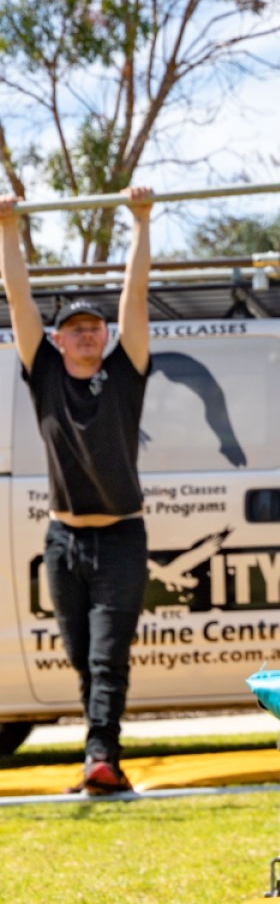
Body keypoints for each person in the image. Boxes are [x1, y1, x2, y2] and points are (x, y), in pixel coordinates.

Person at [0, 187, 153, 795]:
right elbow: (18, 296)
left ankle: (98, 756)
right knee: (80, 657)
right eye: (74, 329)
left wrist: (141, 221)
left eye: (93, 327)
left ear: (106, 335)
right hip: (62, 541)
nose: (85, 335)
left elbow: (134, 295)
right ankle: (104, 762)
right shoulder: (42, 375)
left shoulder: (125, 373)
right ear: (59, 340)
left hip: (121, 538)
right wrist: (7, 229)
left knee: (107, 658)